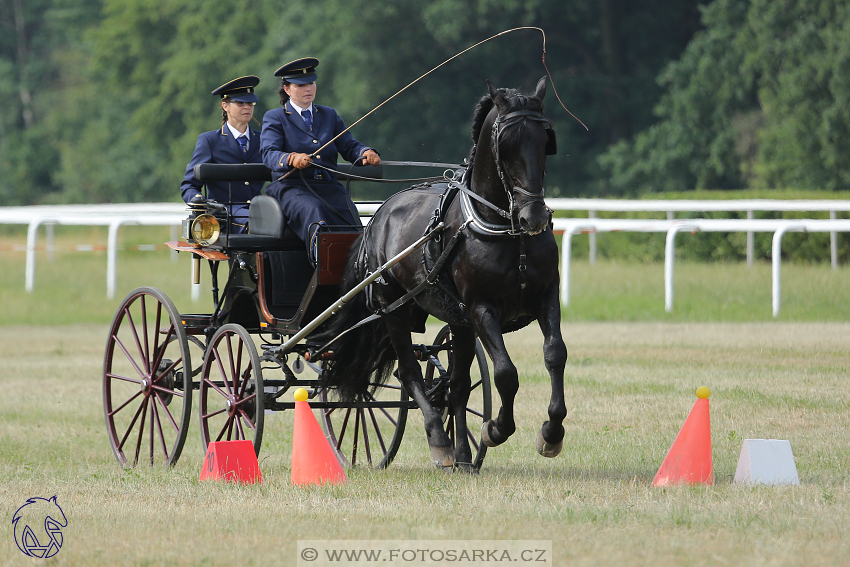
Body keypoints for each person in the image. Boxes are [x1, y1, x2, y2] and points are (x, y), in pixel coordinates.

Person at [260, 57, 380, 262]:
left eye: (311, 83)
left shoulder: (329, 115)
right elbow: (268, 153)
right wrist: (291, 158)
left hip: (328, 186)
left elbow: (348, 145)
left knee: (350, 217)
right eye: (301, 85)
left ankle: (360, 272)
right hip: (291, 187)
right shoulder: (275, 117)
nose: (308, 89)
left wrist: (365, 153)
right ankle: (324, 266)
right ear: (287, 89)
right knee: (315, 211)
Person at [181, 76, 265, 234]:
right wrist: (201, 204)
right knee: (257, 225)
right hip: (225, 214)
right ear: (225, 105)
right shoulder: (210, 141)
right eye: (240, 103)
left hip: (259, 209)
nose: (247, 107)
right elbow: (189, 185)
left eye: (250, 103)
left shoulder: (263, 139)